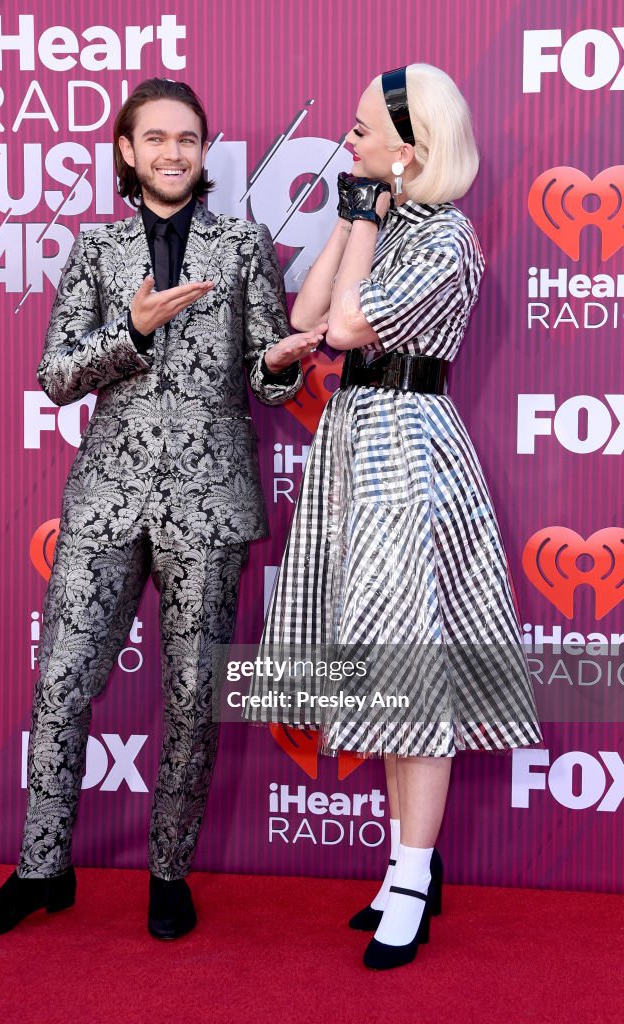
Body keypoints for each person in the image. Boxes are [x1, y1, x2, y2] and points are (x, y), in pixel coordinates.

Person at [0, 78, 324, 943]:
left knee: (194, 700)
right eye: (155, 139)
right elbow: (56, 376)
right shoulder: (95, 249)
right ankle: (41, 870)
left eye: (187, 140)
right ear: (127, 151)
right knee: (61, 685)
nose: (171, 153)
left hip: (209, 503)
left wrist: (282, 363)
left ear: (203, 151)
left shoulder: (241, 246)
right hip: (106, 501)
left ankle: (169, 872)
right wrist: (137, 332)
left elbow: (271, 379)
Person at [245, 64, 541, 970]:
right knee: (377, 666)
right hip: (353, 448)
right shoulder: (384, 221)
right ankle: (409, 861)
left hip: (405, 453)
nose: (349, 140)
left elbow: (338, 330)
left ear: (410, 152)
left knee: (410, 671)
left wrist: (365, 221)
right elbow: (300, 311)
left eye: (364, 129)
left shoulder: (445, 241)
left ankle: (412, 874)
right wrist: (353, 215)